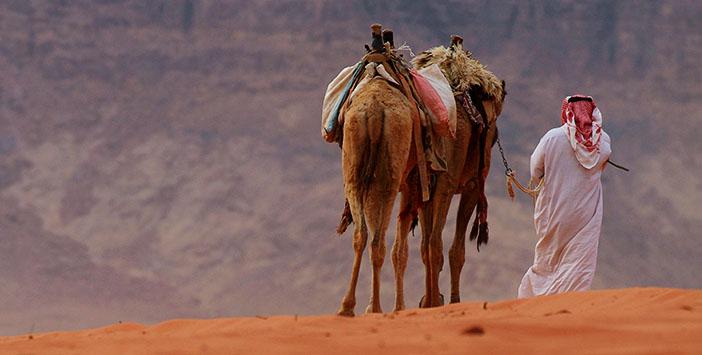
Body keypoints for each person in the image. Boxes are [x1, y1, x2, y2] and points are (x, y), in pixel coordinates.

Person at [518, 95, 612, 298]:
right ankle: (567, 307)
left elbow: (535, 170)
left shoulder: (552, 138)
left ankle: (535, 301)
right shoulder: (602, 142)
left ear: (567, 112)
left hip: (553, 213)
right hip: (585, 215)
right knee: (578, 263)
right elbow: (603, 162)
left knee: (547, 261)